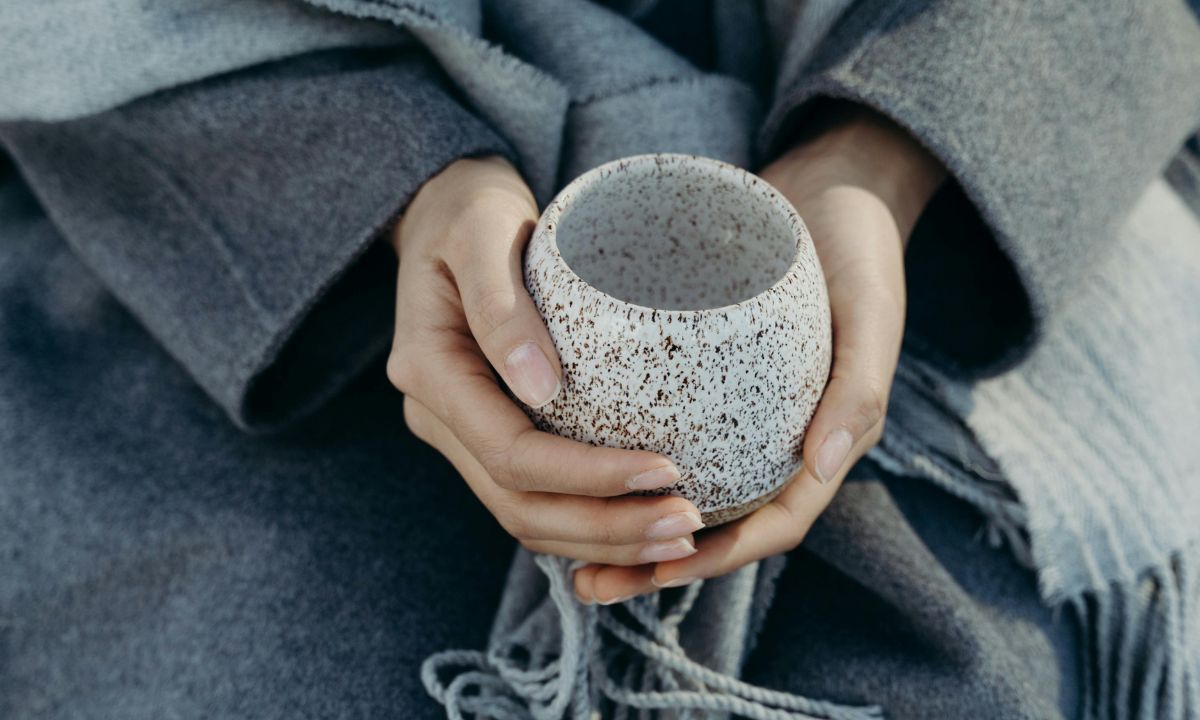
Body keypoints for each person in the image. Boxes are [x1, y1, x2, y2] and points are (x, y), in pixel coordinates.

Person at [1, 1, 1197, 718]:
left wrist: (879, 162)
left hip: (926, 168)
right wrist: (403, 181)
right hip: (261, 190)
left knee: (971, 675)